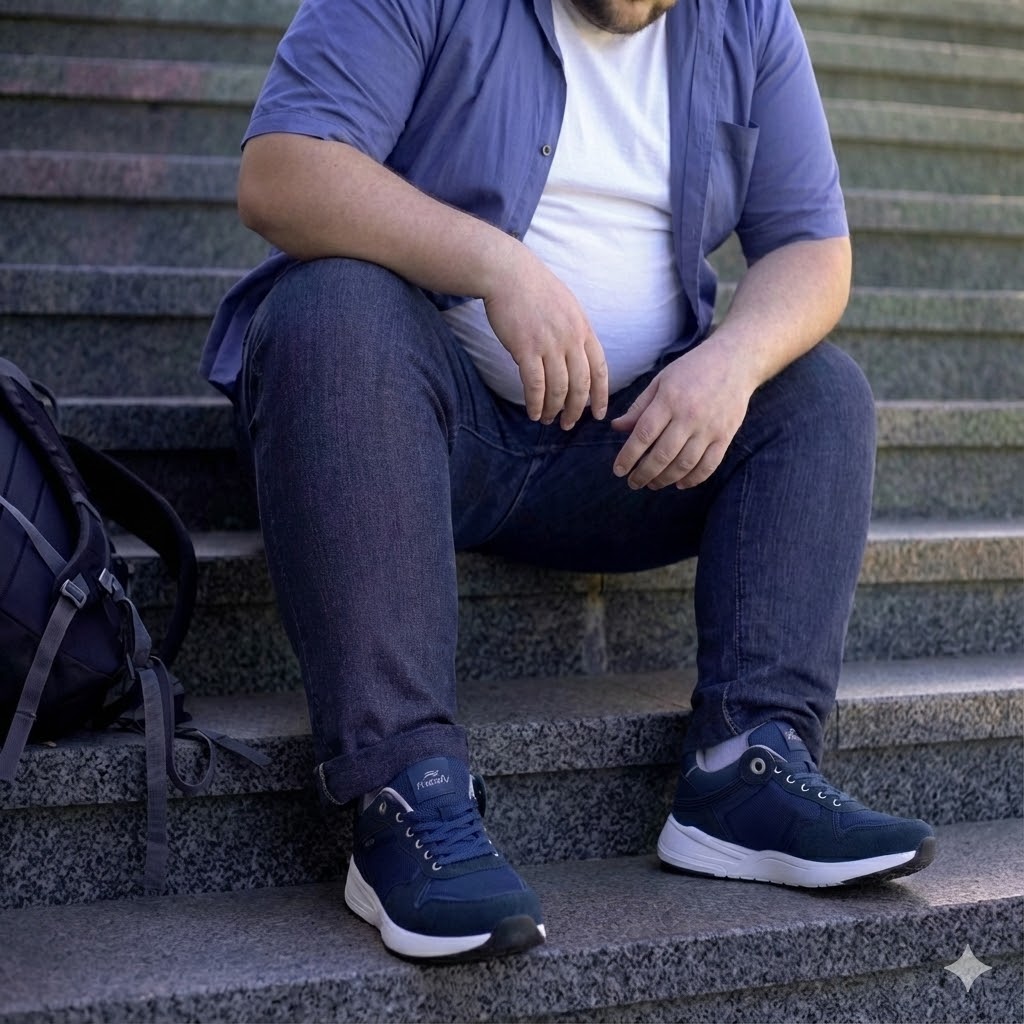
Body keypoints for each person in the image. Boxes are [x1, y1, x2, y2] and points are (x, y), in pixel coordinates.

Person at [201, 0, 936, 964]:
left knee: (818, 392)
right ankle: (405, 790)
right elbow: (284, 170)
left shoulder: (750, 17)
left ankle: (743, 772)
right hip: (403, 429)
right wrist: (497, 264)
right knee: (327, 308)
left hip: (624, 449)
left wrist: (732, 360)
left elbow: (812, 247)